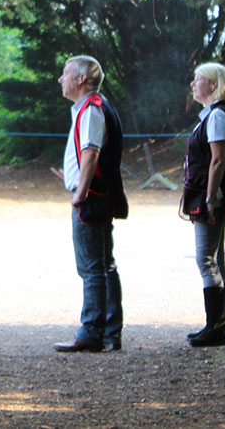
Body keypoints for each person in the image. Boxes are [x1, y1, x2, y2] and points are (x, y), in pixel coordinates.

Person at [53, 55, 128, 353]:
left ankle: (91, 331)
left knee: (92, 267)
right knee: (104, 265)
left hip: (91, 198)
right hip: (98, 195)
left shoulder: (91, 110)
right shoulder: (92, 108)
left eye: (65, 73)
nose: (61, 79)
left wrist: (80, 192)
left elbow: (92, 153)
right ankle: (109, 331)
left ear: (81, 79)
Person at [179, 62, 225, 347]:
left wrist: (209, 198)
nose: (193, 84)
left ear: (213, 85)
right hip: (209, 194)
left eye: (198, 79)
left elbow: (218, 160)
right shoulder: (212, 116)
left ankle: (215, 327)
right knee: (216, 260)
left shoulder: (217, 117)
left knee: (206, 260)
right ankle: (217, 325)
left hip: (210, 197)